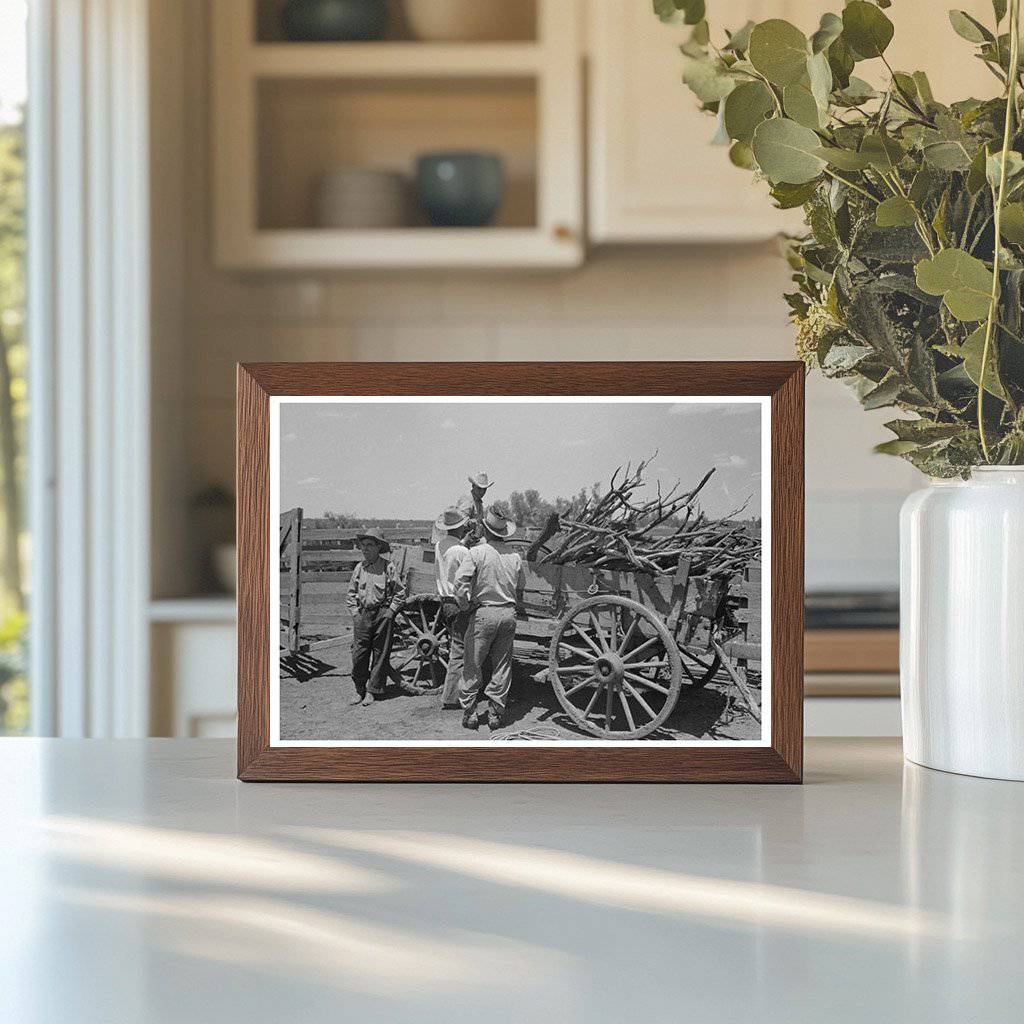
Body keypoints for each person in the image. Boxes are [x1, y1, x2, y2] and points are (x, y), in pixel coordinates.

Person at [453, 507, 526, 730]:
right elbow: (520, 587)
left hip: (484, 613)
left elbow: (460, 584)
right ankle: (495, 712)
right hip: (507, 614)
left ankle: (471, 712)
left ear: (485, 528)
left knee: (473, 664)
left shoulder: (476, 553)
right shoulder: (515, 556)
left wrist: (466, 605)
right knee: (502, 665)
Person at [346, 528, 406, 706]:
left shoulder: (388, 567)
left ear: (378, 547)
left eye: (369, 545)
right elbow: (350, 594)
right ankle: (359, 689)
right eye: (363, 546)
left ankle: (372, 691)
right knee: (359, 653)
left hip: (382, 614)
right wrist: (355, 614)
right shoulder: (359, 568)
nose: (365, 549)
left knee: (380, 653)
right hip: (363, 615)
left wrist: (391, 611)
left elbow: (400, 592)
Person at [433, 506, 472, 709]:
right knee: (460, 651)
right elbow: (466, 577)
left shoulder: (439, 545)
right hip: (458, 603)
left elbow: (451, 559)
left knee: (457, 647)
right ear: (461, 528)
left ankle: (459, 691)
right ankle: (451, 697)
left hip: (445, 601)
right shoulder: (462, 551)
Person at [455, 472, 493, 544]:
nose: (482, 492)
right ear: (473, 486)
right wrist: (470, 523)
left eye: (484, 489)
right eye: (479, 489)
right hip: (464, 540)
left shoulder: (478, 501)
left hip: (472, 539)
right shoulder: (468, 499)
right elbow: (459, 520)